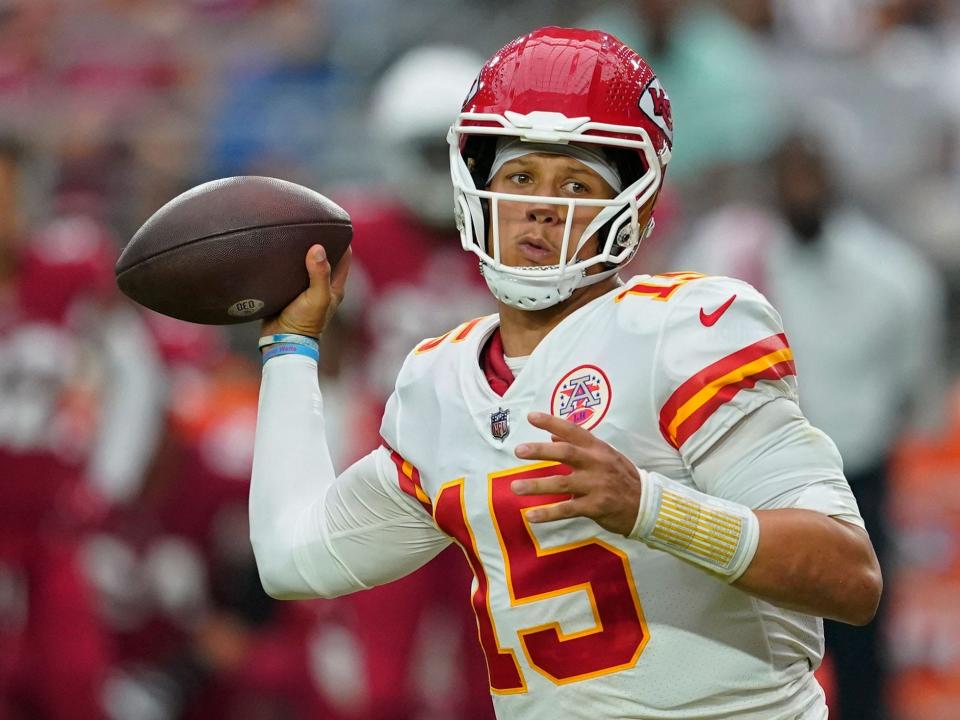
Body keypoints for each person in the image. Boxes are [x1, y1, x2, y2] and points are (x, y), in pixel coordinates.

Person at [249, 27, 882, 719]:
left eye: (576, 182)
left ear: (634, 205)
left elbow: (848, 573)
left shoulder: (685, 332)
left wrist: (649, 507)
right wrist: (290, 350)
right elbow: (291, 558)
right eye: (521, 176)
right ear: (475, 187)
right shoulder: (437, 384)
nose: (543, 204)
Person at [673, 131, 948, 720]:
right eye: (789, 176)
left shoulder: (890, 275)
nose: (801, 189)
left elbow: (914, 383)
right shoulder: (733, 256)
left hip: (854, 468)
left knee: (856, 629)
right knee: (753, 628)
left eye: (812, 175)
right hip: (751, 470)